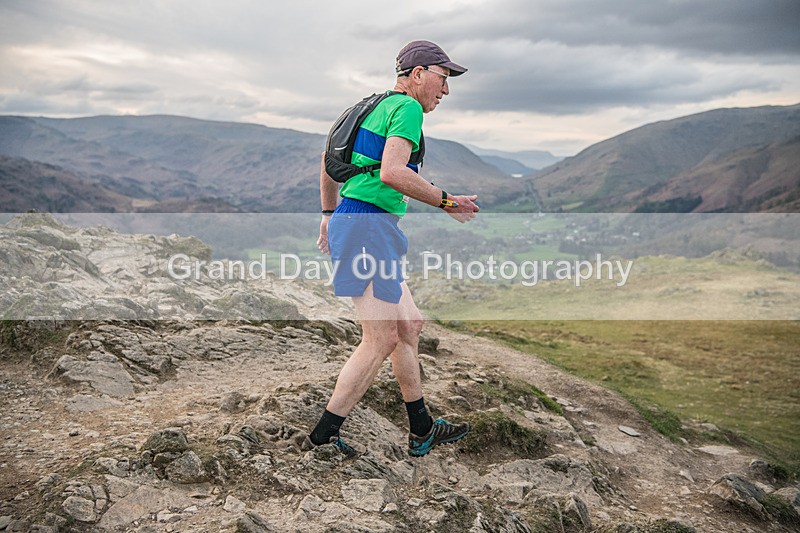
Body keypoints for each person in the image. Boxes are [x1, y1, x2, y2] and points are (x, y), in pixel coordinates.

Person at [304, 40, 480, 458]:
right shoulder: (408, 109)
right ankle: (322, 436)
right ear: (418, 74)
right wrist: (447, 201)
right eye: (442, 78)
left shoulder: (368, 107)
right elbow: (393, 172)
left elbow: (328, 159)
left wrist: (330, 212)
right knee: (379, 339)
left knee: (409, 325)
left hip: (362, 224)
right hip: (367, 228)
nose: (446, 90)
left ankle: (421, 428)